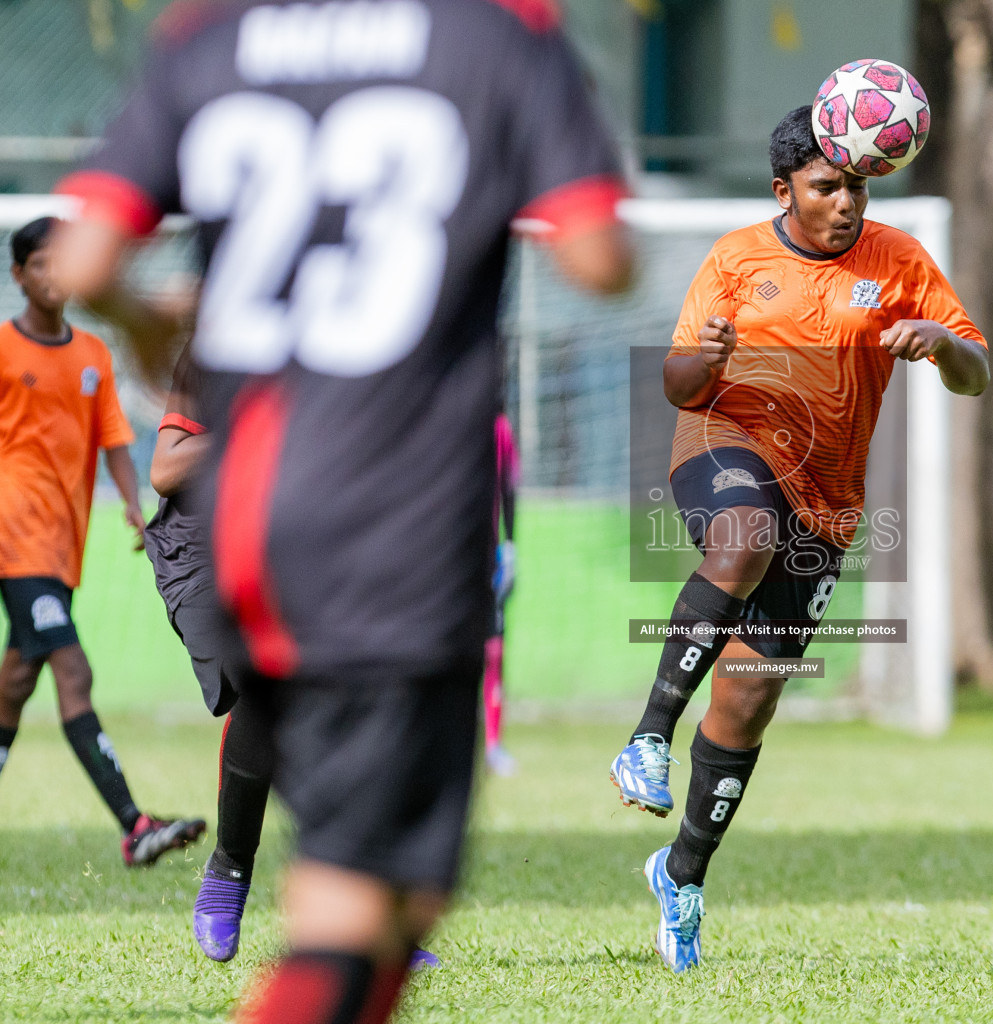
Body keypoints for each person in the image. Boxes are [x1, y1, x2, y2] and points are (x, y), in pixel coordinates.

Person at [50, 0, 632, 1020]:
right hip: (397, 520)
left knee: (391, 899)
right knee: (358, 905)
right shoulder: (495, 36)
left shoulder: (210, 35)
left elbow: (88, 261)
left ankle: (243, 886)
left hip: (250, 526)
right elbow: (600, 256)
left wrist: (150, 325)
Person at [608, 105, 989, 972]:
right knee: (743, 535)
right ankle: (647, 736)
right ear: (785, 190)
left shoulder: (897, 259)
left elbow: (978, 374)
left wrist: (939, 343)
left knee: (748, 700)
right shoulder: (737, 257)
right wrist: (705, 356)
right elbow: (678, 385)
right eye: (827, 186)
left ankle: (682, 876)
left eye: (856, 184)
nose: (846, 200)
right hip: (723, 445)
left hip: (828, 501)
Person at [144, 350, 439, 970]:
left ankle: (369, 916)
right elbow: (167, 470)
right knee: (261, 681)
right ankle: (228, 876)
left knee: (351, 708)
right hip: (203, 549)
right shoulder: (220, 345)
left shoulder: (352, 353)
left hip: (299, 547)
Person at [0, 216, 205, 866]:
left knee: (14, 682)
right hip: (14, 536)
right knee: (74, 673)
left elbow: (114, 438)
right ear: (18, 276)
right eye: (40, 265)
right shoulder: (3, 351)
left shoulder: (93, 355)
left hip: (63, 543)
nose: (53, 275)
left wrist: (135, 511)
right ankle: (135, 823)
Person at [483, 410, 520, 777]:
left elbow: (509, 487)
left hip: (487, 559)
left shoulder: (499, 428)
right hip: (440, 559)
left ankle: (493, 745)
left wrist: (510, 545)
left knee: (493, 650)